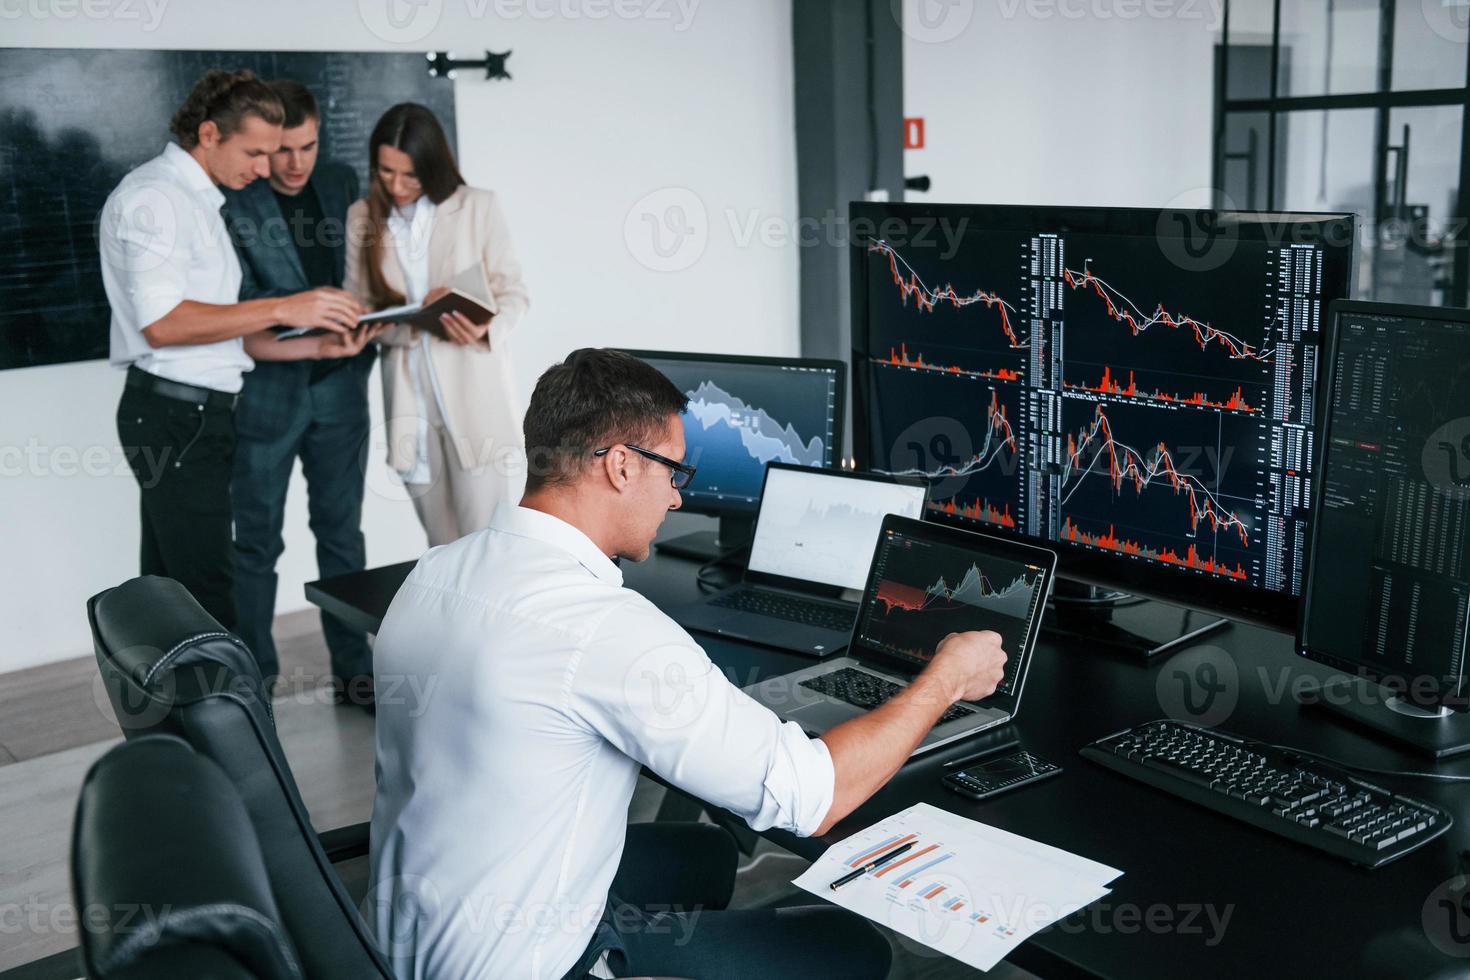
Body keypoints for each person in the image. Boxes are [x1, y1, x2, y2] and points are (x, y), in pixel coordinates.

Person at [366, 348, 1009, 979]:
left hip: (400, 937)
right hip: (531, 963)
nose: (676, 499)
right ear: (620, 465)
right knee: (848, 945)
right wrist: (946, 678)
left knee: (704, 855)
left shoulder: (436, 571)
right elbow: (815, 799)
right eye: (674, 472)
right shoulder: (605, 630)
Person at [102, 69, 362, 630]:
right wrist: (284, 307)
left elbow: (217, 331)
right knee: (206, 596)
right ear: (211, 133)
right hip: (177, 415)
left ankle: (184, 717)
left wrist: (313, 346)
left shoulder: (200, 199)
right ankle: (227, 715)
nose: (267, 169)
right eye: (257, 152)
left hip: (195, 412)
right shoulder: (158, 199)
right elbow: (163, 326)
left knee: (175, 592)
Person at [221, 79, 382, 701]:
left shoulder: (341, 181)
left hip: (342, 387)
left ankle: (353, 674)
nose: (293, 164)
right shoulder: (237, 195)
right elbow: (230, 303)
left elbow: (360, 267)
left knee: (343, 536)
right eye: (281, 150)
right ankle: (253, 684)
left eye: (307, 146)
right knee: (256, 543)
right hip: (266, 390)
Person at [344, 102, 530, 548]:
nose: (397, 185)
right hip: (410, 399)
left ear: (433, 166)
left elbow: (515, 294)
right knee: (441, 544)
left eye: (409, 174)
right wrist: (407, 321)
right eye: (386, 172)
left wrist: (483, 329)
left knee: (486, 541)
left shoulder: (477, 207)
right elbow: (358, 308)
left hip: (472, 396)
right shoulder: (361, 217)